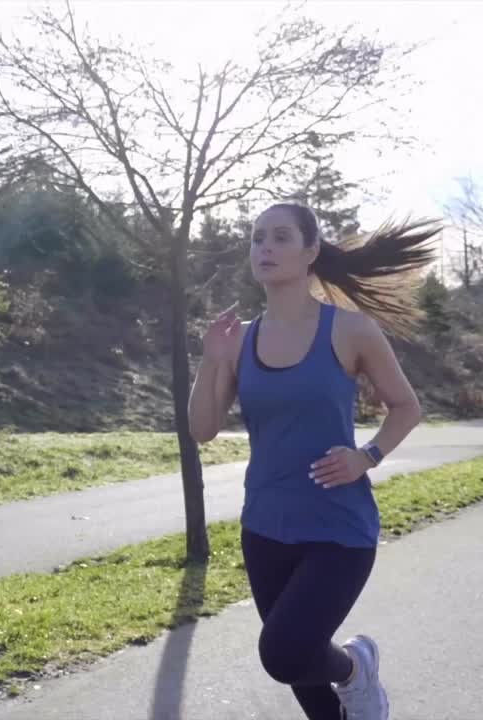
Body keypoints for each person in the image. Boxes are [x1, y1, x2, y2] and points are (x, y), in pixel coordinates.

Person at [187, 201, 439, 720]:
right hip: (266, 528)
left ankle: (355, 667)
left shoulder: (350, 330)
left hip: (338, 529)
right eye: (258, 238)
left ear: (310, 252)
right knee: (306, 681)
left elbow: (406, 407)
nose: (265, 247)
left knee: (284, 653)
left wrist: (366, 456)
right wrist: (211, 359)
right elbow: (202, 429)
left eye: (280, 237)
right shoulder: (241, 340)